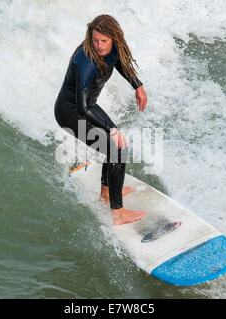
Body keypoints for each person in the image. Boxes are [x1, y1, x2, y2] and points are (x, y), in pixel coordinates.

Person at [54, 14, 148, 225]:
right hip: (70, 113)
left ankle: (107, 195)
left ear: (113, 38)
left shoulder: (112, 48)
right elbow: (84, 107)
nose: (98, 45)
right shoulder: (85, 61)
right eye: (95, 40)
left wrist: (137, 85)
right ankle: (118, 212)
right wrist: (112, 129)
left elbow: (119, 62)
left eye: (103, 41)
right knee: (118, 148)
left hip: (84, 108)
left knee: (114, 147)